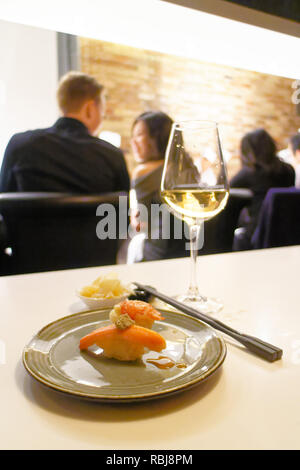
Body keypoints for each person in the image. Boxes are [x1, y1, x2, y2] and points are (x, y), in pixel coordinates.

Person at [0, 71, 130, 193]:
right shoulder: (112, 157)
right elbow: (121, 215)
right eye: (102, 113)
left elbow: (3, 203)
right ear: (89, 108)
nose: (102, 119)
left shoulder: (19, 145)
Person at [127, 111, 188, 263]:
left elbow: (140, 225)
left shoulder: (142, 171)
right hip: (191, 250)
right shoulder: (187, 165)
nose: (133, 142)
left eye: (139, 135)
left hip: (158, 255)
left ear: (159, 137)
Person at [230, 128, 295, 250]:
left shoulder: (248, 173)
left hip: (258, 237)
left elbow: (226, 192)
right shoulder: (289, 170)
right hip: (288, 235)